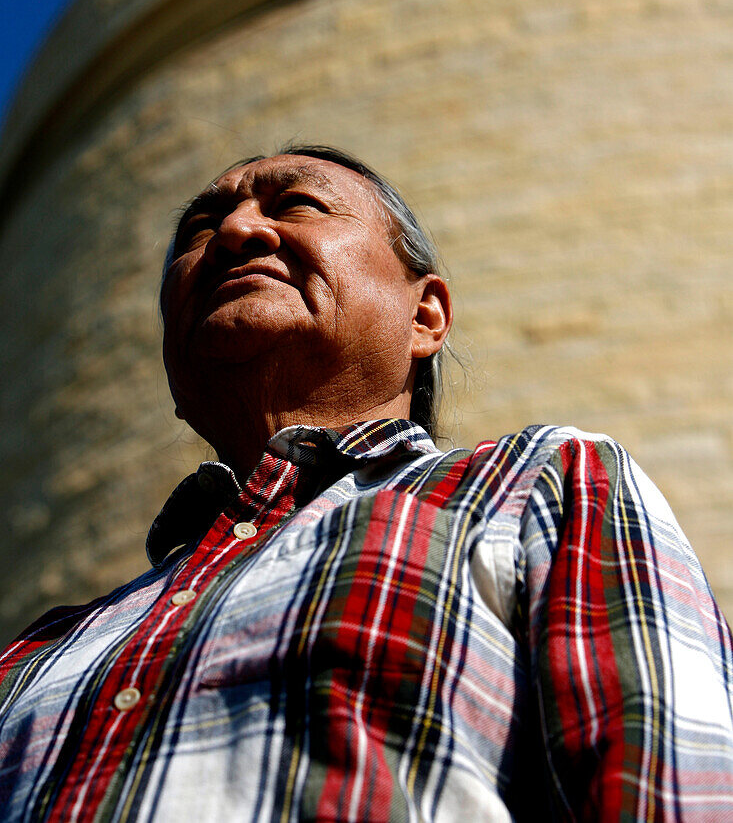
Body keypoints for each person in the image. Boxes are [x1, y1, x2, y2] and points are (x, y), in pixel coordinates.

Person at [0, 143, 732, 822]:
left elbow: (672, 785)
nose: (235, 233)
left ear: (425, 314)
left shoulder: (539, 484)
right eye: (200, 225)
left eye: (296, 206)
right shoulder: (33, 652)